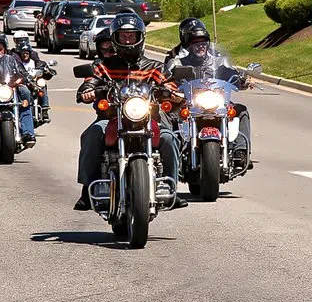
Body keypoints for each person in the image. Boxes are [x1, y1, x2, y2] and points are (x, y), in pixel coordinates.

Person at [74, 12, 187, 211]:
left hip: (149, 118)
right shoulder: (104, 66)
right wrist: (87, 91)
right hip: (111, 117)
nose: (127, 40)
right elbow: (90, 81)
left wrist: (174, 94)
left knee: (169, 138)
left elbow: (171, 85)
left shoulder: (154, 67)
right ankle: (87, 187)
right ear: (115, 38)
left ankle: (171, 186)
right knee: (91, 134)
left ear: (140, 37)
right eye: (123, 37)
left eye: (131, 36)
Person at [164, 21, 252, 170]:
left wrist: (243, 80)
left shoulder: (218, 61)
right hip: (189, 102)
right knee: (171, 116)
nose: (201, 46)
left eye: (204, 42)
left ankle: (241, 151)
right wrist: (168, 87)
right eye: (196, 43)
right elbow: (165, 78)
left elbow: (232, 74)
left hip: (215, 101)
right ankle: (172, 154)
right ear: (189, 45)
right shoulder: (178, 62)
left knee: (241, 110)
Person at [14, 41, 52, 123]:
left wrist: (47, 70)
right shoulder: (17, 63)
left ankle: (44, 109)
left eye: (27, 53)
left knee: (42, 83)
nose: (25, 55)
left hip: (34, 82)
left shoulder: (35, 62)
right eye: (23, 53)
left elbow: (43, 67)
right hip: (23, 83)